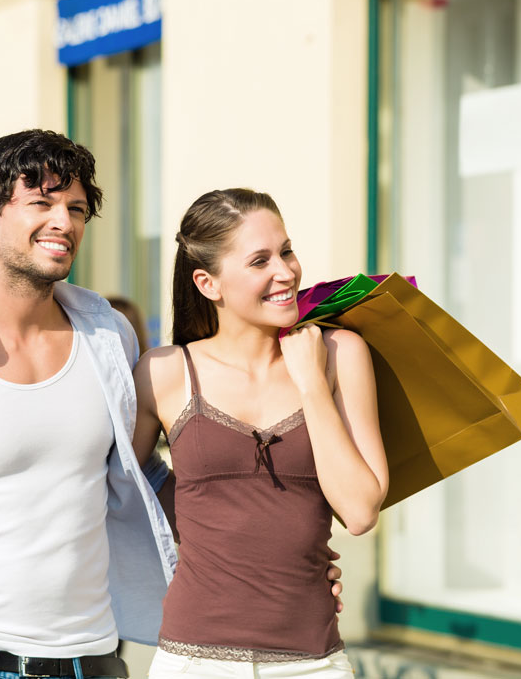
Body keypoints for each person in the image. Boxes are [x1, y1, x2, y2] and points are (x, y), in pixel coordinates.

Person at [0, 131, 343, 679]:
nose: (64, 222)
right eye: (42, 202)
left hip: (96, 658)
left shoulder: (107, 335)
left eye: (75, 208)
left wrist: (278, 553)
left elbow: (143, 476)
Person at [132, 189, 388, 678]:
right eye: (260, 260)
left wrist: (312, 383)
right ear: (209, 284)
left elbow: (358, 512)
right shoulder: (165, 372)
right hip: (193, 661)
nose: (287, 272)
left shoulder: (341, 354)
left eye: (287, 251)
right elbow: (122, 485)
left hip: (314, 663)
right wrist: (213, 533)